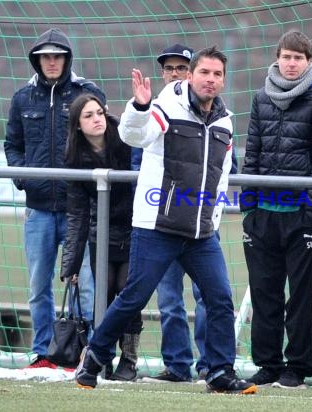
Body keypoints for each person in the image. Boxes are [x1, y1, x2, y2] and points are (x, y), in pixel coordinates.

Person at [75, 46, 257, 395]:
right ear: (192, 75)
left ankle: (219, 373)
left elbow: (220, 176)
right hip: (157, 226)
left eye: (217, 74)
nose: (210, 80)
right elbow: (134, 136)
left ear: (223, 80)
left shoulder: (225, 121)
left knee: (220, 297)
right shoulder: (164, 106)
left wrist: (214, 217)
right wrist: (140, 107)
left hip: (201, 232)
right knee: (134, 297)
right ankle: (94, 357)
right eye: (204, 73)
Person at [240, 30, 312, 389]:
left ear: (309, 61)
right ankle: (267, 363)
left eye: (298, 58)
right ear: (277, 58)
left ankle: (297, 366)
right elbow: (252, 152)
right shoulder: (261, 97)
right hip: (262, 214)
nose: (292, 63)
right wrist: (247, 204)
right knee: (265, 292)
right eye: (286, 56)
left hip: (300, 214)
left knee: (300, 295)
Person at [4, 27, 105, 368]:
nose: (51, 62)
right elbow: (13, 145)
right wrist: (23, 177)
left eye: (57, 56)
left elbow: (101, 140)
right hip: (39, 210)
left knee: (86, 286)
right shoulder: (22, 99)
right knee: (38, 286)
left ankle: (84, 352)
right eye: (45, 56)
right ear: (37, 60)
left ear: (66, 58)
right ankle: (43, 352)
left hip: (80, 209)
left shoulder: (87, 93)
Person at [131, 43, 206, 383]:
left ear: (193, 73)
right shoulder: (153, 110)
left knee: (209, 296)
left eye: (181, 68)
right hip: (162, 222)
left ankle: (211, 364)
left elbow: (225, 165)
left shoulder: (213, 112)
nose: (175, 74)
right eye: (169, 68)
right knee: (169, 299)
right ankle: (177, 365)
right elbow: (138, 157)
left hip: (200, 223)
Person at [61, 93, 142, 381]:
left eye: (99, 113)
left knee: (128, 289)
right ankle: (102, 357)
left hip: (135, 228)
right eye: (88, 116)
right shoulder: (75, 158)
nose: (97, 119)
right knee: (104, 293)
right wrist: (70, 264)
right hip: (102, 232)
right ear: (77, 125)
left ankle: (129, 360)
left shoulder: (124, 140)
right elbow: (77, 214)